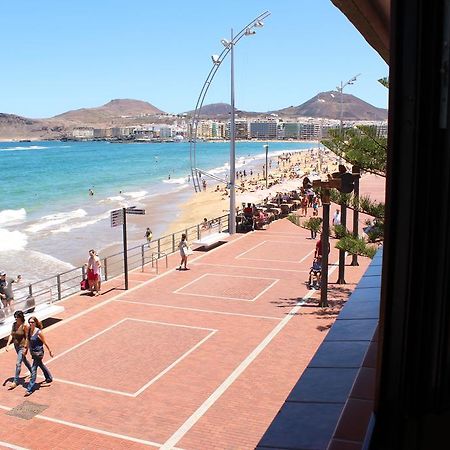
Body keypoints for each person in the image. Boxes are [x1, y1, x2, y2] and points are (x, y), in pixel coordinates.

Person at [25, 316, 53, 396]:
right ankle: (49, 378)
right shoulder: (29, 330)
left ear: (36, 323)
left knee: (34, 369)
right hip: (33, 353)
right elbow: (28, 340)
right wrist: (26, 349)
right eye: (29, 322)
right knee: (40, 364)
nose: (31, 323)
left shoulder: (38, 332)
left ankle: (29, 389)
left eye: (32, 322)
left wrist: (50, 351)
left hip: (39, 353)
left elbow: (45, 342)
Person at [6, 310, 32, 390]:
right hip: (16, 345)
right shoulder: (14, 325)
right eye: (15, 318)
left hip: (22, 346)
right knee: (23, 360)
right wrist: (7, 344)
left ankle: (15, 381)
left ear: (21, 317)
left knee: (18, 363)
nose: (16, 319)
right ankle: (32, 371)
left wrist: (26, 348)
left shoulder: (25, 326)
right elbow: (11, 334)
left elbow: (27, 337)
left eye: (17, 318)